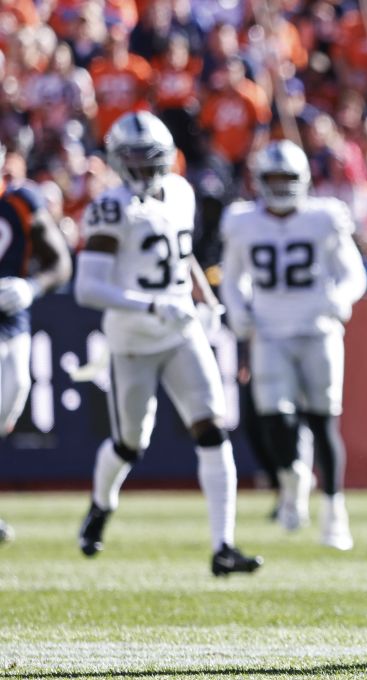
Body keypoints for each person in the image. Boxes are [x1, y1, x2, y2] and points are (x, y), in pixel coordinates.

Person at [74, 111, 262, 576]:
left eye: (149, 158)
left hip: (181, 331)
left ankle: (224, 546)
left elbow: (182, 254)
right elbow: (87, 288)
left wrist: (205, 295)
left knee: (212, 429)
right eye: (132, 160)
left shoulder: (180, 190)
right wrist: (153, 306)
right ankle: (101, 505)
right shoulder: (111, 206)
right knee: (129, 444)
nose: (141, 168)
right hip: (133, 340)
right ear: (117, 162)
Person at [220, 139, 367, 550]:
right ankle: (292, 480)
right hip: (269, 332)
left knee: (323, 420)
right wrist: (237, 309)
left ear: (303, 180)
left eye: (288, 178)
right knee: (275, 418)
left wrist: (340, 299)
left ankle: (335, 513)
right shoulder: (243, 221)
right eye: (274, 178)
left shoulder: (323, 218)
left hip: (318, 329)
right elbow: (232, 277)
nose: (281, 186)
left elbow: (353, 274)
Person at [0, 139, 73, 548]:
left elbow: (61, 262)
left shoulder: (21, 201)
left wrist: (31, 286)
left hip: (12, 323)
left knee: (11, 401)